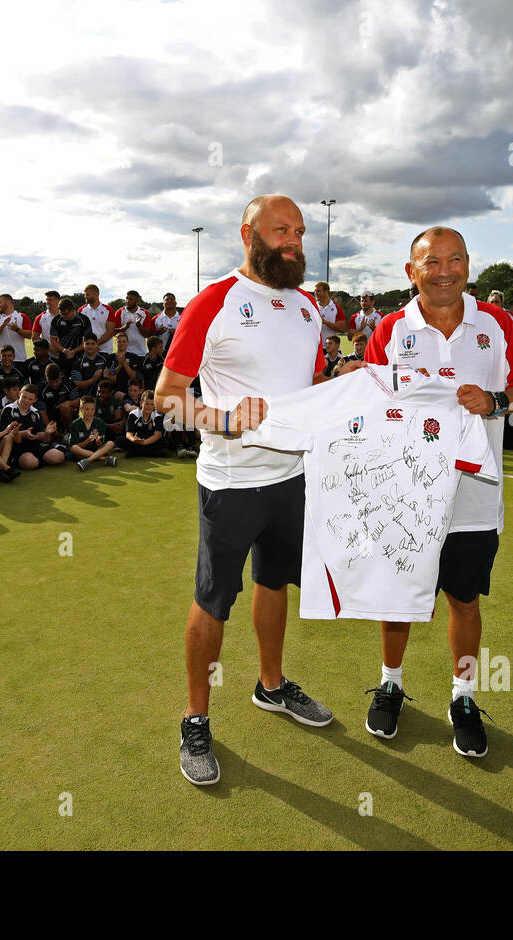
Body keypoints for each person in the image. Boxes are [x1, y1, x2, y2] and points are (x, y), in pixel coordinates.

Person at [154, 194, 334, 787]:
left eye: (300, 231)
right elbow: (167, 398)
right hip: (232, 483)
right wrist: (225, 419)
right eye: (280, 230)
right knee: (212, 600)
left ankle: (271, 686)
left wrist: (345, 383)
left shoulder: (308, 306)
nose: (293, 241)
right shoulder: (215, 302)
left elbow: (308, 389)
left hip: (291, 477)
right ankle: (195, 717)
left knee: (274, 581)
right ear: (247, 234)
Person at [361, 225, 513, 754]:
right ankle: (391, 683)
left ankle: (463, 695)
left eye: (455, 259)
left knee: (464, 600)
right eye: (431, 261)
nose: (445, 271)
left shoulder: (498, 322)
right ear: (411, 271)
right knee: (399, 598)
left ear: (468, 264)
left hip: (474, 497)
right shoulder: (392, 329)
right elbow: (369, 402)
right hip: (407, 494)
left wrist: (496, 399)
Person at [0, 384, 66, 469]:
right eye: (24, 397)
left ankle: (39, 459)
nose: (26, 401)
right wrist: (25, 434)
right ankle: (34, 460)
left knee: (59, 456)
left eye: (30, 399)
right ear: (19, 394)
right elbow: (5, 435)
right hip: (17, 446)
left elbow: (39, 435)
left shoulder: (36, 412)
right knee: (30, 462)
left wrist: (47, 432)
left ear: (35, 400)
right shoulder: (8, 410)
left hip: (34, 444)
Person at [67, 395, 118, 471]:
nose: (89, 412)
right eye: (86, 409)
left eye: (92, 409)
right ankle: (103, 459)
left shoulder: (100, 423)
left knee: (111, 443)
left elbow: (101, 444)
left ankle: (87, 461)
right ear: (81, 409)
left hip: (96, 450)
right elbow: (74, 446)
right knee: (74, 448)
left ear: (95, 409)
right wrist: (87, 441)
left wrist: (98, 442)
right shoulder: (75, 424)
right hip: (82, 453)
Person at [50, 297, 91, 371]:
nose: (63, 316)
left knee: (78, 378)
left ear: (72, 310)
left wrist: (74, 351)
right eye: (61, 313)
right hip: (62, 356)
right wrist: (64, 350)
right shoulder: (56, 320)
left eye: (65, 313)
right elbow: (53, 340)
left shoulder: (84, 320)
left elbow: (88, 341)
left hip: (80, 356)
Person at [123, 389, 167, 457]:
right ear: (141, 403)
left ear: (155, 406)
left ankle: (140, 452)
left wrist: (144, 442)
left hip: (149, 442)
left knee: (161, 445)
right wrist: (133, 439)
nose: (149, 406)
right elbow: (128, 433)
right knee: (121, 440)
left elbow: (158, 434)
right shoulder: (133, 414)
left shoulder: (157, 417)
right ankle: (143, 452)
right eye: (146, 404)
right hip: (136, 441)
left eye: (152, 404)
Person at [37, 362, 79, 431]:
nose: (54, 384)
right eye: (51, 382)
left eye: (57, 381)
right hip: (49, 417)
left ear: (60, 375)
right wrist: (50, 429)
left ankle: (68, 432)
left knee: (65, 408)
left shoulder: (68, 383)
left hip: (65, 414)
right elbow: (42, 412)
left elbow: (78, 401)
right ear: (46, 377)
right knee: (47, 439)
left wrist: (68, 403)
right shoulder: (40, 388)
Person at [114, 290, 155, 357]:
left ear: (137, 300)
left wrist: (139, 325)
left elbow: (147, 334)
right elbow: (114, 332)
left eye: (130, 299)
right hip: (124, 353)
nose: (127, 301)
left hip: (141, 353)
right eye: (126, 298)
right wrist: (125, 327)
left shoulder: (144, 313)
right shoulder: (120, 312)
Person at [0, 293, 31, 359]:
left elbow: (29, 335)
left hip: (19, 359)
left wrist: (17, 329)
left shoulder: (22, 316)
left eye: (0, 303)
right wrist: (2, 325)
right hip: (0, 359)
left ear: (8, 302)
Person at [78, 283, 118, 348]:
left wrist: (96, 344)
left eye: (87, 294)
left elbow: (111, 331)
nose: (85, 296)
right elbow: (80, 331)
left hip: (106, 350)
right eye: (85, 294)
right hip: (88, 350)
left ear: (96, 294)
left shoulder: (108, 309)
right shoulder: (81, 310)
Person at [315, 280, 346, 348]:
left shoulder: (336, 308)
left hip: (332, 349)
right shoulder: (312, 307)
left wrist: (325, 322)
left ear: (326, 292)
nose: (316, 293)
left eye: (318, 291)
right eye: (315, 291)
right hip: (316, 348)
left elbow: (342, 329)